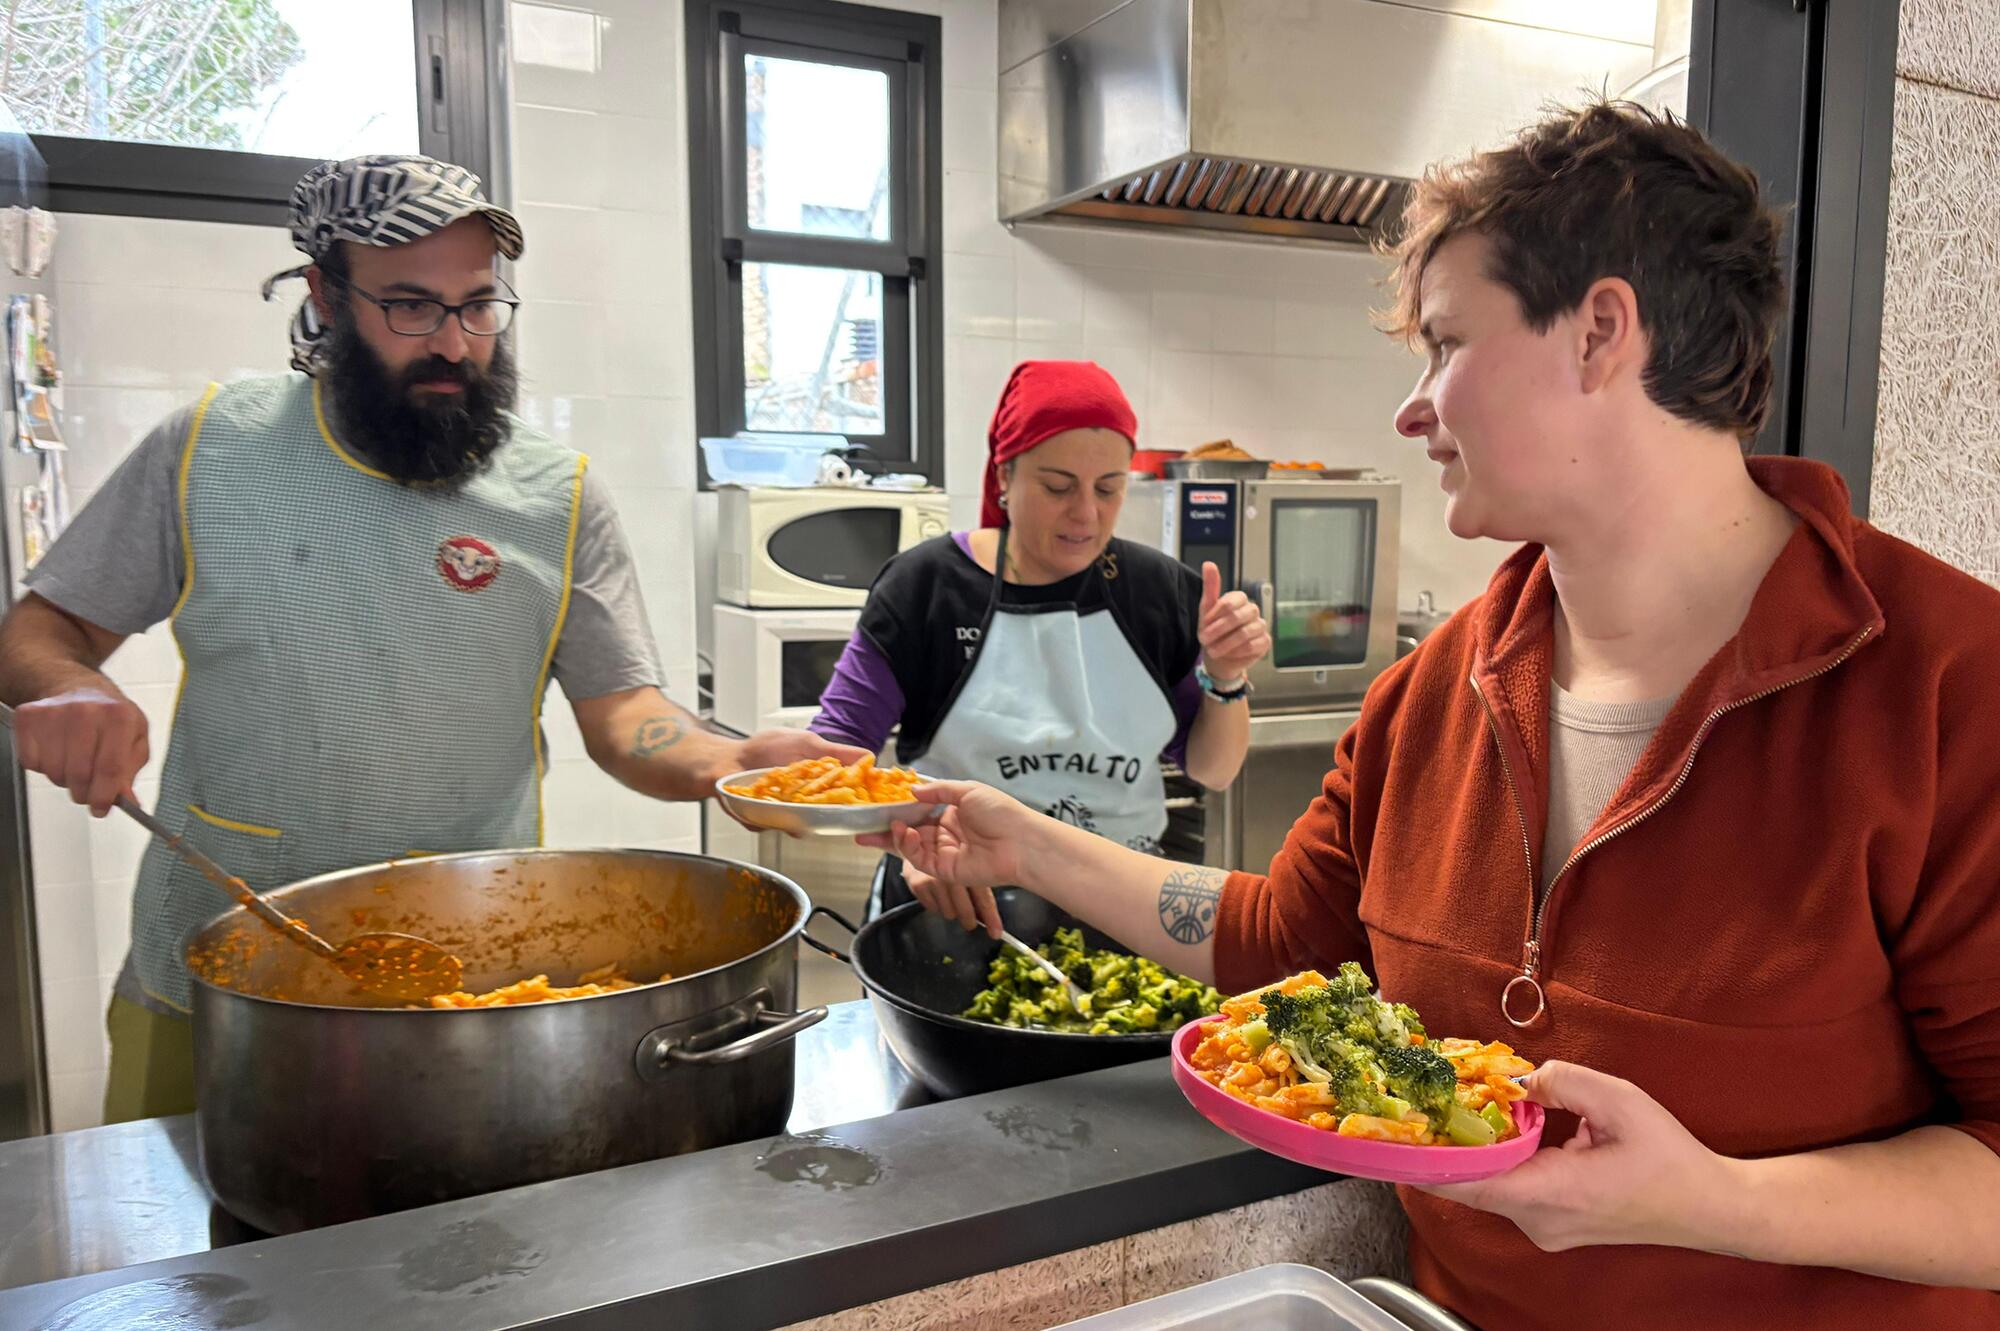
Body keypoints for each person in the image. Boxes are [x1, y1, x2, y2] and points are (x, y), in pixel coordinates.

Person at [865, 104, 2000, 1329]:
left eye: (1444, 343)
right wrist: (1020, 839)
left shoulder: (1946, 688)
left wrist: (1710, 1200)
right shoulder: (1429, 694)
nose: (1410, 411)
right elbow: (1282, 939)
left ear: (1598, 332)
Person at [0, 155, 855, 1121]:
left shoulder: (557, 495)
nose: (452, 343)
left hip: (462, 996)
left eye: (478, 306)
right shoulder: (208, 447)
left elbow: (624, 717)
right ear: (324, 295)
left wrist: (736, 764)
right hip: (214, 982)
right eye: (410, 306)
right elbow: (41, 630)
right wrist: (68, 687)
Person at [809, 360, 1268, 912]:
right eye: (1058, 487)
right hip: (954, 901)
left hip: (1123, 909)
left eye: (1109, 489)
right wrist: (910, 843)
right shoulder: (926, 587)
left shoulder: (1159, 591)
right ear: (1004, 476)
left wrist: (1224, 675)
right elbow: (838, 756)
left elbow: (1213, 771)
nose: (1086, 514)